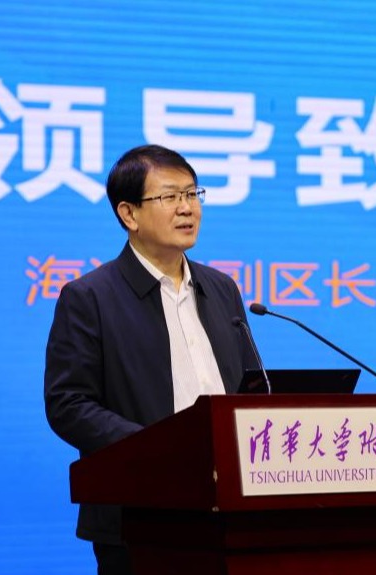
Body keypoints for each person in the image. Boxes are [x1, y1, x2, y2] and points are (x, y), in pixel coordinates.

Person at [44, 144, 258, 575]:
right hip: (138, 518)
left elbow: (251, 389)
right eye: (170, 196)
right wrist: (156, 450)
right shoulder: (90, 297)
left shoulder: (221, 289)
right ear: (129, 214)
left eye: (192, 194)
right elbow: (69, 403)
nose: (187, 208)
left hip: (229, 512)